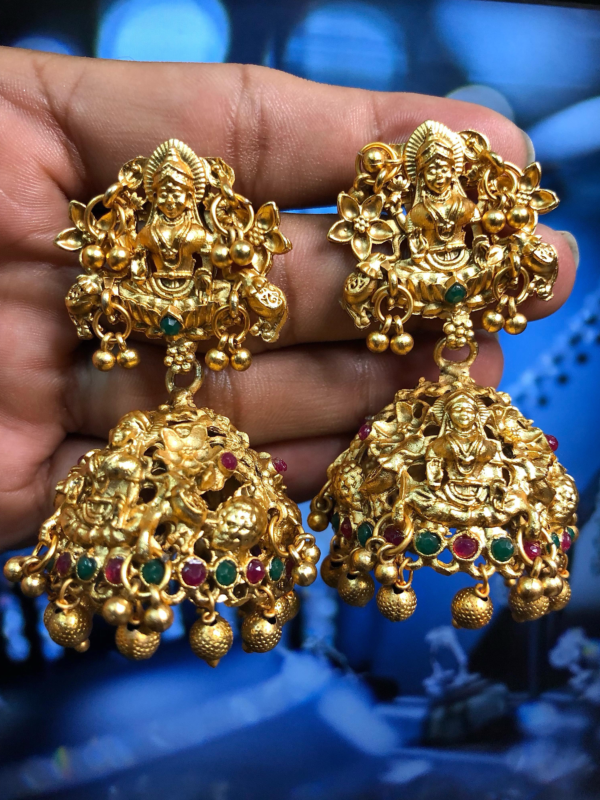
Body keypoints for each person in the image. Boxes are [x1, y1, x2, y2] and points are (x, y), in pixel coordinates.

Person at [0, 46, 577, 552]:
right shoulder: (150, 229)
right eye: (166, 191)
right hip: (171, 301)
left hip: (446, 274)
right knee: (357, 284)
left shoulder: (466, 203)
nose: (173, 199)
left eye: (181, 191)